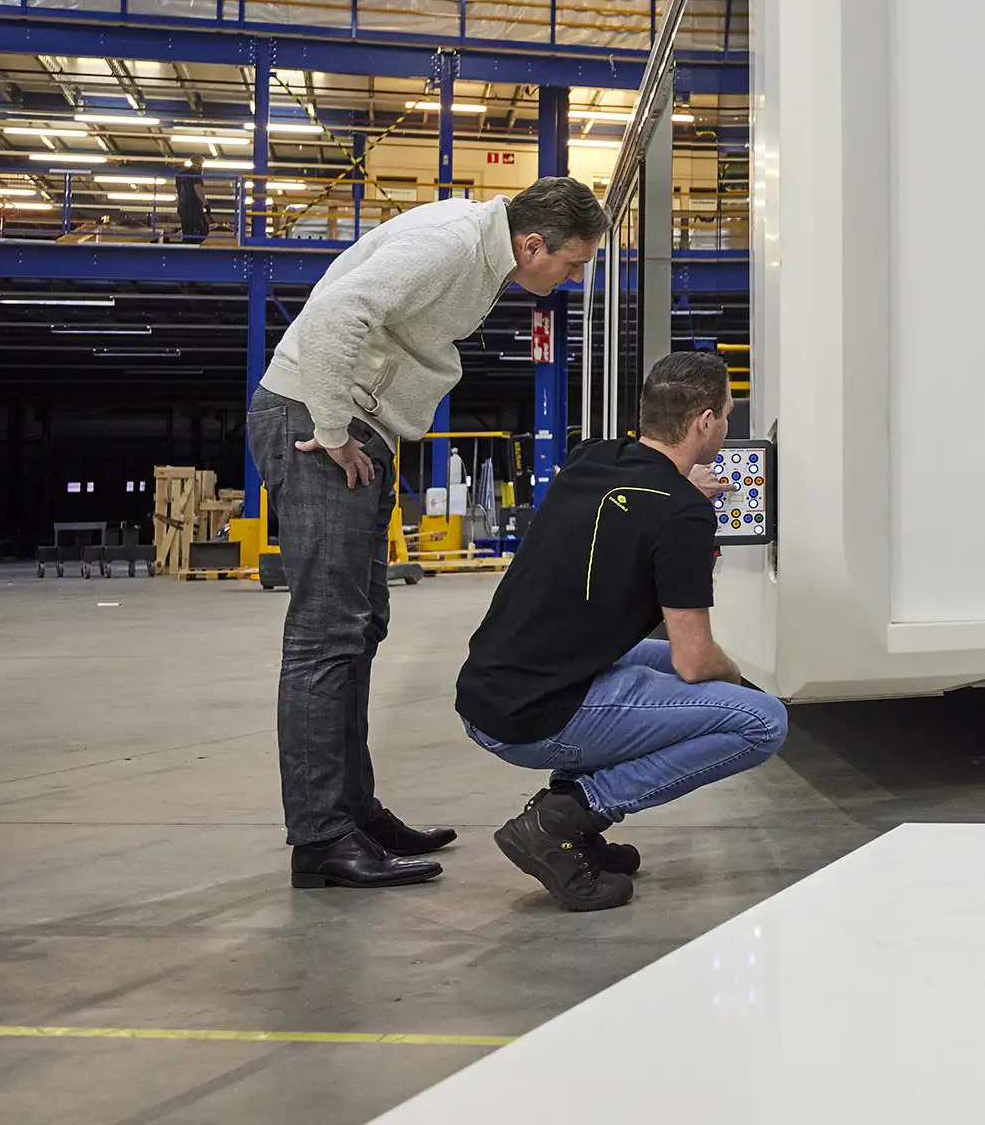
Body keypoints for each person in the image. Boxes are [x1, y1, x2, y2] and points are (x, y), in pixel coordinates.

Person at [248, 175, 607, 890]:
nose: (573, 278)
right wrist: (329, 426)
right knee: (327, 632)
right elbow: (337, 313)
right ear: (533, 245)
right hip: (317, 428)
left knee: (359, 625)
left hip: (359, 428)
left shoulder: (480, 247)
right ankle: (321, 840)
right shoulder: (451, 246)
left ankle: (352, 813)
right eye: (571, 264)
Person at [456, 351, 788, 912]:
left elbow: (638, 505)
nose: (728, 426)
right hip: (529, 718)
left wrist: (686, 484)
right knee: (762, 720)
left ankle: (571, 829)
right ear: (705, 422)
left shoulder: (593, 459)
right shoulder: (683, 515)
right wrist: (737, 677)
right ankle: (570, 813)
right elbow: (694, 660)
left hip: (491, 688)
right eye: (727, 415)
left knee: (650, 658)